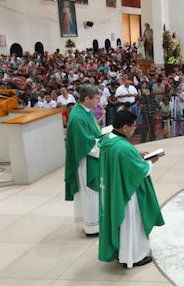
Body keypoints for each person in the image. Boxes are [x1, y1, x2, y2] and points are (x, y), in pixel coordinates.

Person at [98, 110, 164, 268]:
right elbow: (139, 170)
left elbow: (123, 156)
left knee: (122, 225)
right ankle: (133, 257)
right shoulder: (123, 148)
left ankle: (122, 253)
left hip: (114, 188)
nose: (135, 130)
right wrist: (151, 161)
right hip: (127, 193)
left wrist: (136, 152)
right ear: (125, 128)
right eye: (133, 127)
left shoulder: (109, 138)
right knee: (131, 224)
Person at [64, 84, 102, 236]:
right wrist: (106, 145)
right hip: (86, 161)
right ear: (87, 99)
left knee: (93, 194)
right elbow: (86, 144)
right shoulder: (78, 117)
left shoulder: (85, 111)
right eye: (97, 99)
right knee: (90, 192)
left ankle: (94, 222)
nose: (99, 102)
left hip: (91, 157)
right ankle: (92, 226)